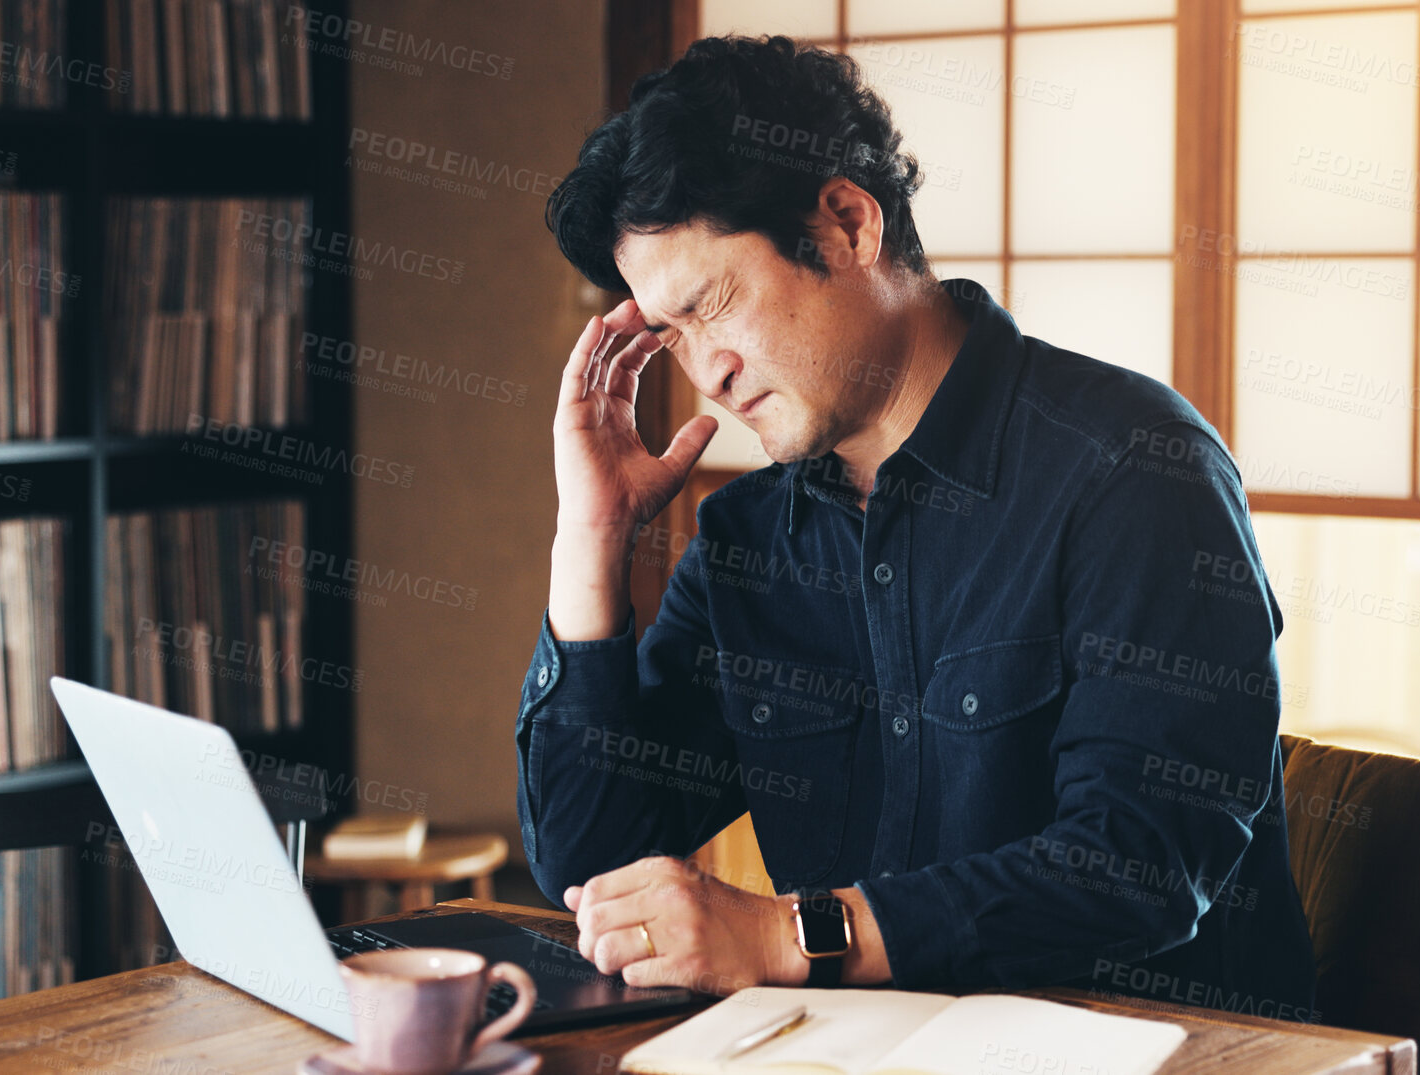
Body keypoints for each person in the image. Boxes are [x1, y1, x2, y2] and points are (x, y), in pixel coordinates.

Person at [518, 33, 1317, 1019]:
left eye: (714, 303)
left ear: (847, 221)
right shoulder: (748, 543)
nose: (706, 371)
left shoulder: (1130, 469)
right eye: (671, 332)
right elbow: (596, 873)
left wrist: (783, 934)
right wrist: (588, 543)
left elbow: (1141, 859)